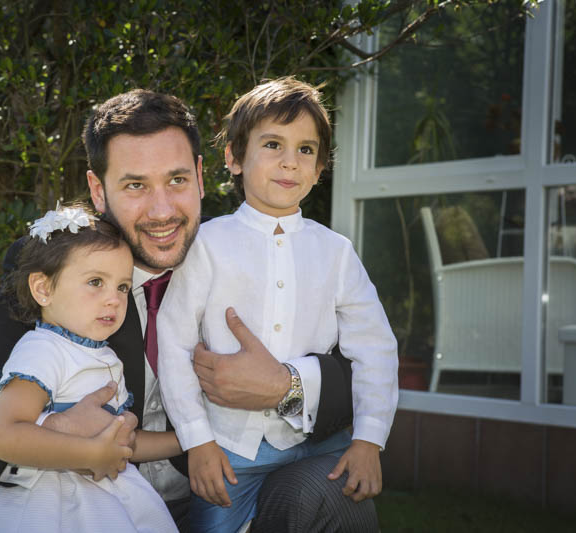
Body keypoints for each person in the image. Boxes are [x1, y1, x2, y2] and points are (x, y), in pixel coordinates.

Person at [0, 88, 379, 532]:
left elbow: (359, 365)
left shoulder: (243, 250)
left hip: (220, 489)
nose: (162, 210)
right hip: (90, 504)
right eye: (135, 186)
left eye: (177, 180)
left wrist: (285, 385)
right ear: (98, 190)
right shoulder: (67, 269)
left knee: (334, 493)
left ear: (200, 175)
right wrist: (52, 432)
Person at [157, 77, 398, 532]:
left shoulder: (336, 252)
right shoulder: (207, 244)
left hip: (321, 445)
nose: (290, 161)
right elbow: (174, 344)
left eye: (306, 150)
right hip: (229, 451)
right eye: (273, 144)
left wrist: (369, 439)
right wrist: (197, 441)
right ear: (234, 157)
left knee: (344, 515)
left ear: (320, 168)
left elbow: (375, 348)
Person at [0, 204, 178, 532]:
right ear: (43, 289)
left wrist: (188, 441)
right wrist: (89, 454)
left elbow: (124, 441)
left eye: (122, 287)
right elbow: (2, 435)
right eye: (96, 282)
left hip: (108, 491)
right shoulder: (42, 350)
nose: (114, 299)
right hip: (45, 498)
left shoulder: (105, 357)